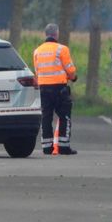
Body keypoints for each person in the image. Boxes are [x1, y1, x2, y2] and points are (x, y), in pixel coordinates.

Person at [33, 23, 78, 155]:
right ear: (56, 34)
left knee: (46, 117)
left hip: (43, 88)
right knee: (64, 116)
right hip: (59, 88)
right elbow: (70, 69)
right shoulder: (61, 49)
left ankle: (47, 147)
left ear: (46, 34)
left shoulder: (37, 51)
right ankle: (63, 146)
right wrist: (73, 77)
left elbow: (37, 71)